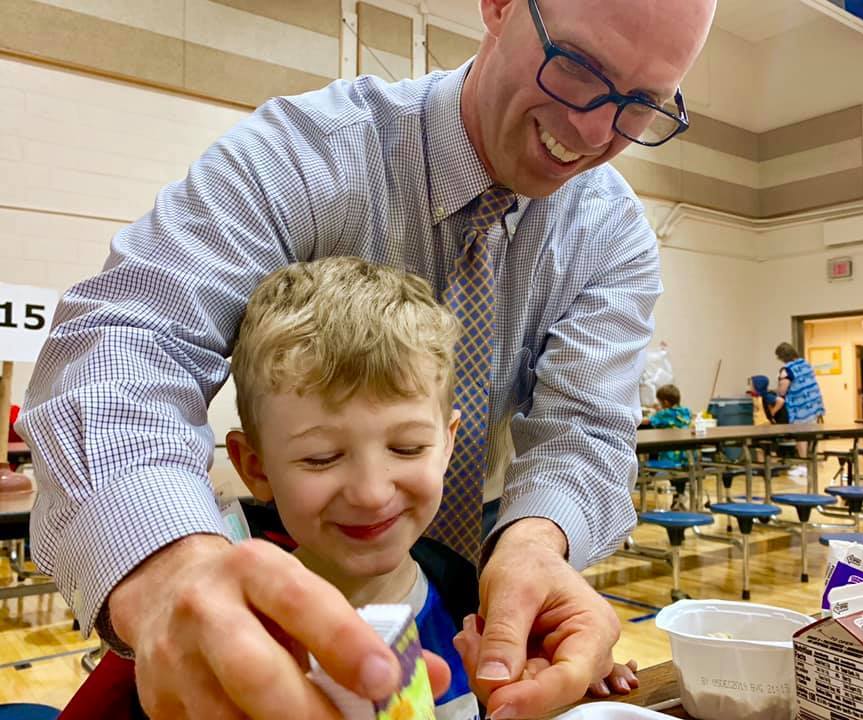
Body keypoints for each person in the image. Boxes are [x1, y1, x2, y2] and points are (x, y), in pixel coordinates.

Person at [15, 0, 717, 717]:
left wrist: (538, 544)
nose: (595, 130)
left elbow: (584, 430)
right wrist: (168, 571)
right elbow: (129, 338)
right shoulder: (305, 155)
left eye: (643, 105)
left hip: (451, 588)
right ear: (499, 7)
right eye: (576, 67)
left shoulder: (611, 232)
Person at [770, 342, 825, 480]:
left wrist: (776, 391)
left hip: (800, 406)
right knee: (811, 435)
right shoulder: (805, 364)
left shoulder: (787, 370)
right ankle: (813, 461)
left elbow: (783, 389)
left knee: (801, 437)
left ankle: (803, 465)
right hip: (813, 404)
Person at [639, 384, 691, 466]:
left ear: (665, 402)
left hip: (669, 459)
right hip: (686, 458)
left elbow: (646, 421)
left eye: (659, 402)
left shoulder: (663, 414)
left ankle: (647, 473)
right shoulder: (686, 412)